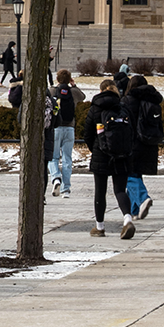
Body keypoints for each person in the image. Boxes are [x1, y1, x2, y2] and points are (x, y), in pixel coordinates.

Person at [83, 80, 135, 239]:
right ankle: (127, 219)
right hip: (121, 154)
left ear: (101, 90)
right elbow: (132, 131)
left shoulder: (95, 108)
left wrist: (96, 148)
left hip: (101, 153)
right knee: (120, 189)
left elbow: (87, 134)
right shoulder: (123, 107)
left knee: (100, 191)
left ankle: (99, 227)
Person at [122, 75, 163, 220]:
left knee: (128, 175)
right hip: (149, 143)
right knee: (136, 174)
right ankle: (135, 210)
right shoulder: (153, 100)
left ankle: (142, 198)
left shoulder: (127, 101)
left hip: (133, 143)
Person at [48, 69, 85, 198]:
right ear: (69, 79)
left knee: (53, 157)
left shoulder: (53, 91)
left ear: (57, 79)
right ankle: (66, 189)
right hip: (70, 128)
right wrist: (73, 85)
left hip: (56, 128)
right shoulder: (73, 92)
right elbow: (83, 96)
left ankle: (56, 177)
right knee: (67, 159)